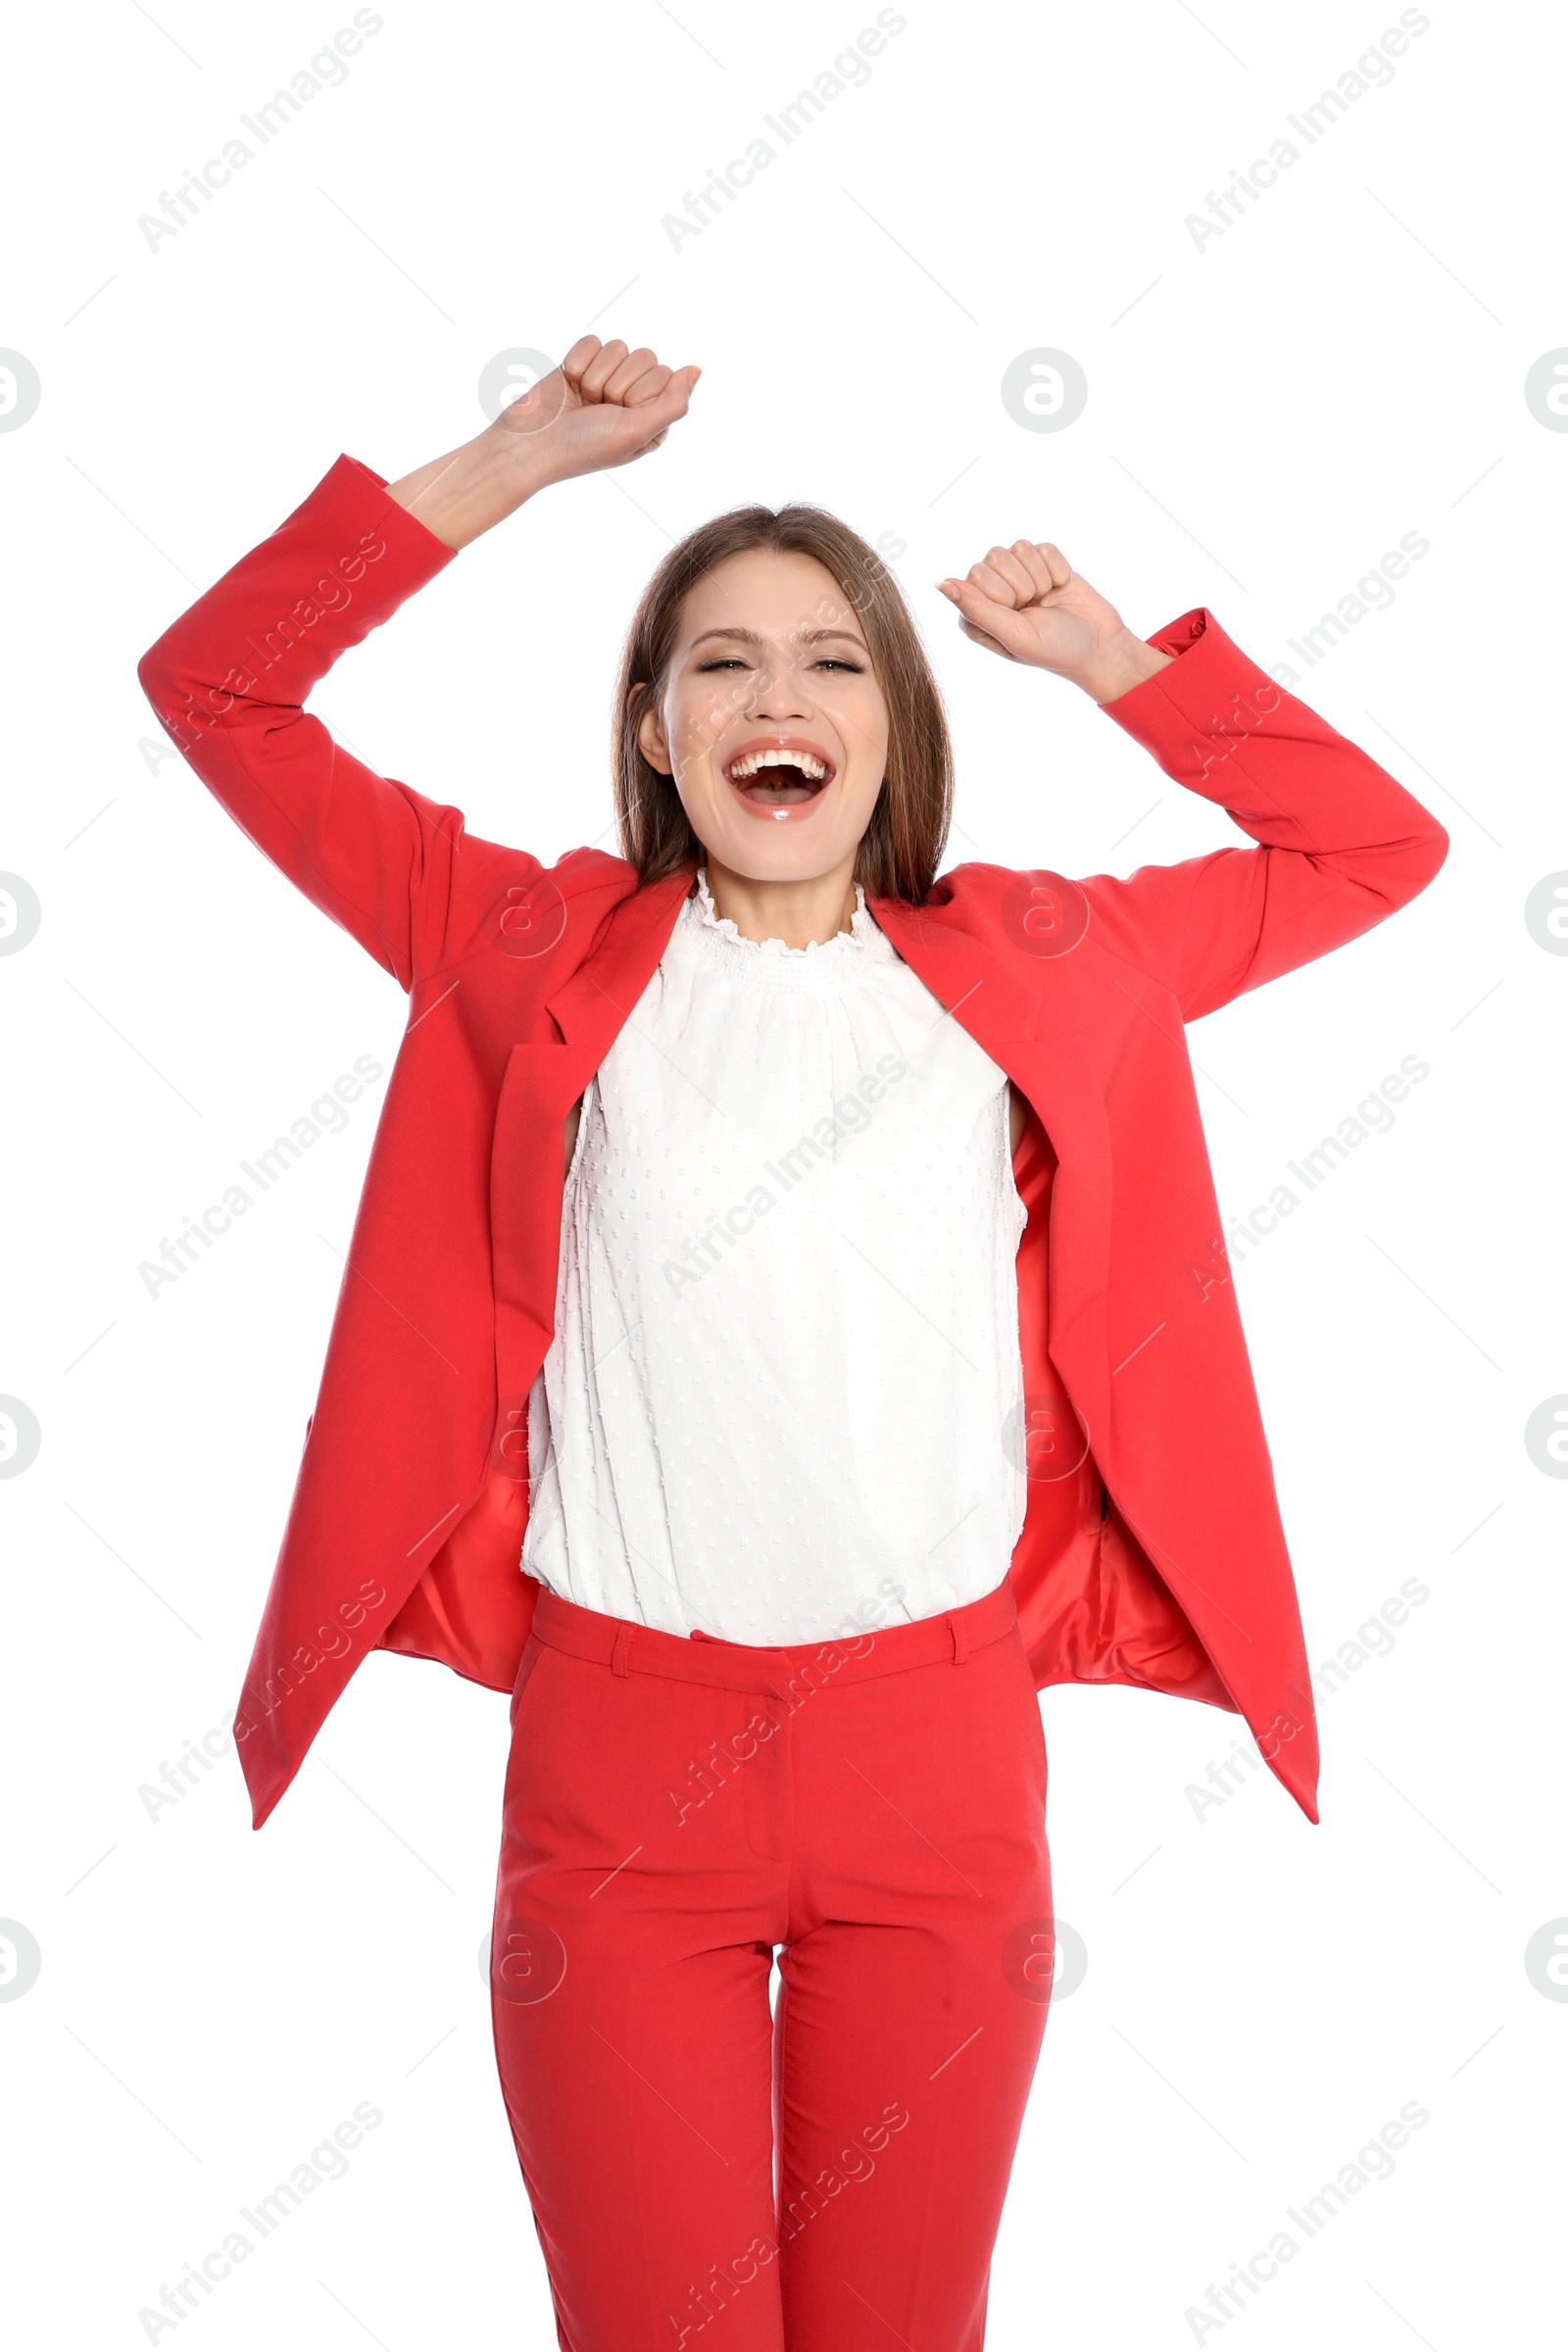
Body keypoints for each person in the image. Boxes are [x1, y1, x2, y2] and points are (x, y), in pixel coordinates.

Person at [137, 334, 1447, 2350]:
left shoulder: (1038, 961)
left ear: (895, 728)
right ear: (654, 732)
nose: (776, 696)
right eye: (721, 663)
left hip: (934, 1757)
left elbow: (1371, 848)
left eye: (831, 660)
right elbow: (215, 690)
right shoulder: (519, 944)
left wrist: (1115, 662)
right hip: (616, 1764)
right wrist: (509, 459)